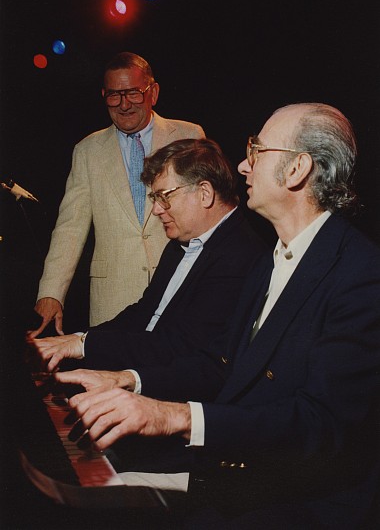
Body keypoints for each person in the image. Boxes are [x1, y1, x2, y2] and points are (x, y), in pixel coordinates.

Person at [63, 103, 380, 528]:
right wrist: (127, 381)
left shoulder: (359, 273)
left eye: (257, 150)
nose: (243, 165)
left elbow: (318, 424)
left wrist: (172, 416)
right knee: (87, 496)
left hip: (301, 502)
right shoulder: (270, 261)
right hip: (244, 475)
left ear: (297, 169)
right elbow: (220, 364)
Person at [28, 138, 269, 402]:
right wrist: (78, 339)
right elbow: (145, 313)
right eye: (155, 198)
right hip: (146, 372)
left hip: (176, 398)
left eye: (164, 197)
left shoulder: (240, 255)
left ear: (204, 193)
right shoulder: (183, 242)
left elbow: (181, 347)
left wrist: (83, 346)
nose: (155, 210)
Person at [30, 52, 205, 337]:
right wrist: (51, 292)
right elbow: (69, 227)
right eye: (114, 95)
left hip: (181, 292)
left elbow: (210, 217)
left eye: (134, 93)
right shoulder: (87, 151)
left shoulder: (190, 137)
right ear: (104, 95)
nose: (124, 105)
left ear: (153, 92)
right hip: (113, 301)